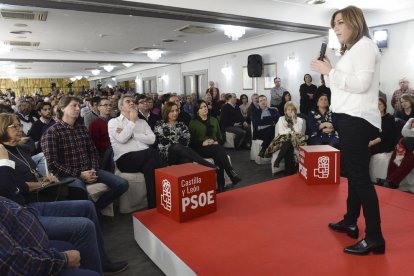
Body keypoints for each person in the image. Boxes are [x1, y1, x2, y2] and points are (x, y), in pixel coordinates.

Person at [311, 5, 385, 255]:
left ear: (355, 21)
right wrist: (330, 70)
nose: (337, 29)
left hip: (357, 120)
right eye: (334, 25)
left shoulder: (364, 46)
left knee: (360, 179)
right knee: (355, 176)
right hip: (348, 118)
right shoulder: (353, 50)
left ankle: (375, 237)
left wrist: (330, 71)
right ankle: (351, 220)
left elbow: (362, 85)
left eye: (341, 23)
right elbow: (341, 86)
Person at [0, 144, 128, 274]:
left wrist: (42, 180)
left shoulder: (19, 149)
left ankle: (102, 261)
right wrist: (5, 163)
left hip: (29, 205)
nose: (19, 130)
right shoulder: (5, 155)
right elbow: (8, 190)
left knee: (87, 206)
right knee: (83, 220)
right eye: (14, 126)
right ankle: (94, 269)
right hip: (24, 211)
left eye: (19, 125)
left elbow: (20, 184)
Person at [41, 96, 129, 210]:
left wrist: (92, 169)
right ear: (62, 108)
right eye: (74, 105)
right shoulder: (52, 132)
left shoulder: (81, 128)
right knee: (82, 194)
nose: (78, 108)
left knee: (122, 184)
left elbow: (93, 152)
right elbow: (53, 164)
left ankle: (95, 209)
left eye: (78, 105)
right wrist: (80, 174)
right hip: (69, 175)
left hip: (90, 169)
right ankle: (92, 214)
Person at [108, 94, 166, 208]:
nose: (131, 103)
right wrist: (132, 121)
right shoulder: (114, 122)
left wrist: (133, 135)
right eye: (128, 101)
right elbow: (122, 138)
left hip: (145, 158)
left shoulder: (142, 122)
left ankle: (153, 205)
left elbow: (152, 139)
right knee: (151, 153)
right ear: (120, 107)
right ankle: (172, 175)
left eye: (133, 102)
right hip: (125, 160)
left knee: (150, 168)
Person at [189, 100, 242, 192]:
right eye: (201, 108)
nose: (204, 109)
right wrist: (203, 142)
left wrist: (216, 141)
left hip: (215, 147)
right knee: (218, 151)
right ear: (197, 111)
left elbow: (221, 137)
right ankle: (230, 173)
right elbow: (191, 142)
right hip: (200, 148)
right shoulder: (193, 123)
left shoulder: (214, 120)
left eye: (205, 106)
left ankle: (221, 185)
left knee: (218, 155)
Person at [153, 102, 217, 169]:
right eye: (172, 111)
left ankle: (190, 178)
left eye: (176, 110)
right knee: (176, 146)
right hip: (167, 155)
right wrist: (177, 141)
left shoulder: (181, 124)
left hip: (181, 154)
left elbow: (186, 140)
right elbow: (163, 141)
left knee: (187, 160)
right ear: (166, 112)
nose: (175, 113)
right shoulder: (159, 124)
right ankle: (205, 163)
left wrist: (175, 141)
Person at [265, 101, 306, 175]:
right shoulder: (281, 119)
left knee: (289, 142)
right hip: (283, 139)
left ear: (295, 111)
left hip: (296, 140)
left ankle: (279, 160)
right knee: (288, 141)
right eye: (288, 110)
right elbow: (281, 132)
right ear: (285, 111)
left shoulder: (299, 120)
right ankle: (289, 171)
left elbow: (298, 131)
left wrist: (294, 121)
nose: (290, 111)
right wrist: (291, 132)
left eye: (292, 110)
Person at [377, 118, 414, 189]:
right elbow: (404, 132)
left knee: (409, 156)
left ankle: (392, 181)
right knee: (399, 150)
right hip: (408, 143)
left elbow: (407, 133)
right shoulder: (412, 120)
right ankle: (389, 180)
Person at [88, 97, 114, 172]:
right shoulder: (94, 124)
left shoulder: (115, 120)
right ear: (99, 107)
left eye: (110, 105)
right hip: (105, 152)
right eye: (105, 105)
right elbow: (94, 143)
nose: (109, 107)